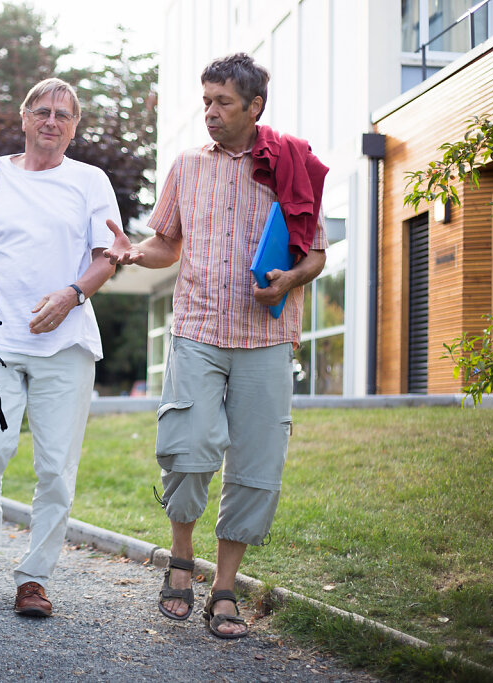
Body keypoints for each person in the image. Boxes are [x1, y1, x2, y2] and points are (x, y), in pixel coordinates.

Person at [105, 53, 328, 639]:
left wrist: (288, 280)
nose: (210, 111)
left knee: (255, 466)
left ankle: (224, 589)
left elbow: (316, 255)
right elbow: (166, 246)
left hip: (266, 338)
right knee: (186, 447)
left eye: (223, 101)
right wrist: (132, 252)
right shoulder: (186, 165)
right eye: (206, 100)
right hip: (198, 331)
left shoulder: (291, 165)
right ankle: (182, 561)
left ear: (255, 106)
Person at [0, 77, 120, 618]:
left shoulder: (90, 181)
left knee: (55, 468)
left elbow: (108, 254)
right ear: (24, 118)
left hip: (65, 342)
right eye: (42, 111)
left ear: (74, 127)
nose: (52, 121)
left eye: (63, 115)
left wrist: (72, 296)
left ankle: (34, 578)